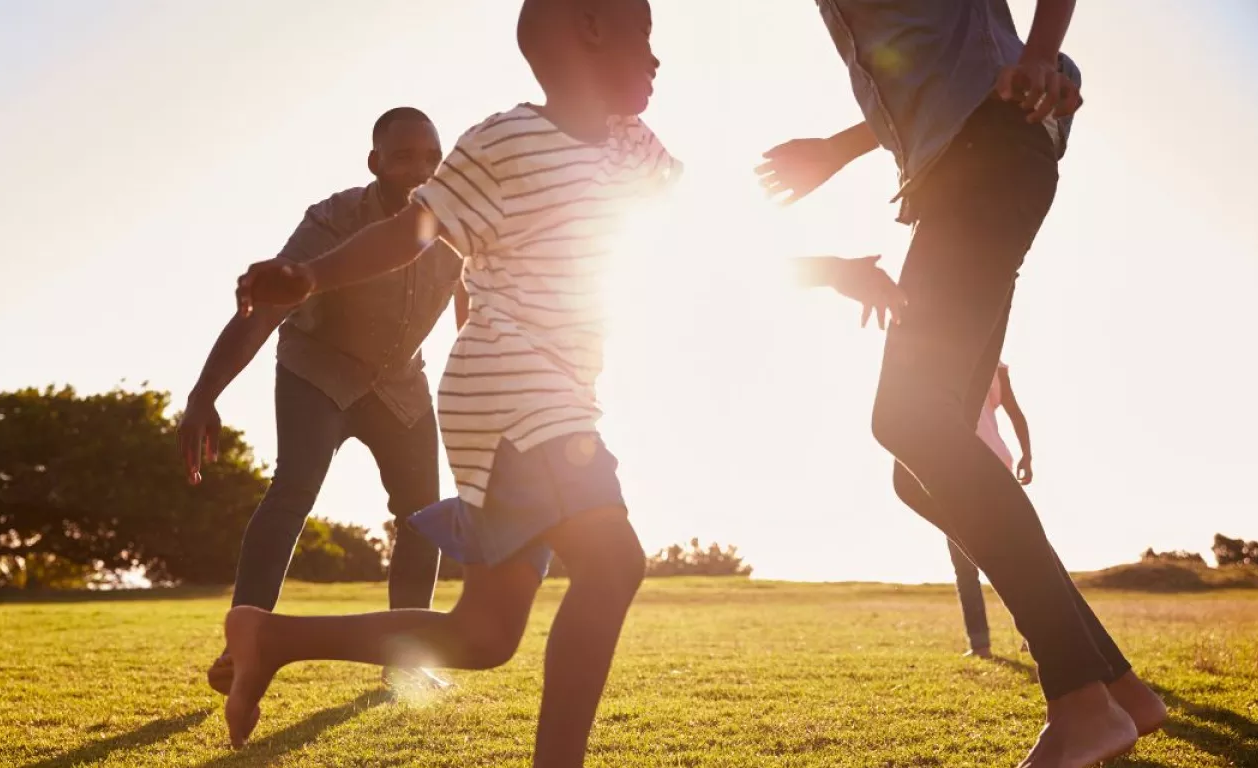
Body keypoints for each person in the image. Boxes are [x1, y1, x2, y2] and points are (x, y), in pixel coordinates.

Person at [220, 1, 903, 763]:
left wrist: (832, 270)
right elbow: (413, 232)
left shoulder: (634, 148)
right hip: (509, 377)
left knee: (483, 636)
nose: (655, 59)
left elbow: (702, 245)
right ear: (588, 31)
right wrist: (311, 274)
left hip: (553, 392)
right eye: (643, 37)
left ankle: (271, 637)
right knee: (615, 564)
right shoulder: (504, 140)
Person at [754, 2, 1167, 766]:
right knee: (916, 469)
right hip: (969, 163)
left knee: (907, 420)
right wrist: (839, 151)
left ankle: (1080, 700)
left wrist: (1045, 53)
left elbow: (976, 66)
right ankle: (1122, 689)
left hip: (989, 156)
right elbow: (933, 75)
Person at [177, 107, 466, 695]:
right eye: (405, 156)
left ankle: (405, 659)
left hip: (399, 383)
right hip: (319, 372)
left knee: (424, 515)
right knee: (293, 491)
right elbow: (268, 307)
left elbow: (473, 310)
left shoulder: (457, 221)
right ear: (375, 163)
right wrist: (203, 395)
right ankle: (243, 647)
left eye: (433, 157)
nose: (422, 168)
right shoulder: (333, 219)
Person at [950, 362, 1033, 659]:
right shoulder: (996, 368)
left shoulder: (955, 359)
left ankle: (981, 644)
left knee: (966, 565)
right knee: (1014, 560)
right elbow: (1016, 414)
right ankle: (1032, 635)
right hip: (997, 463)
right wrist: (1026, 455)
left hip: (962, 469)